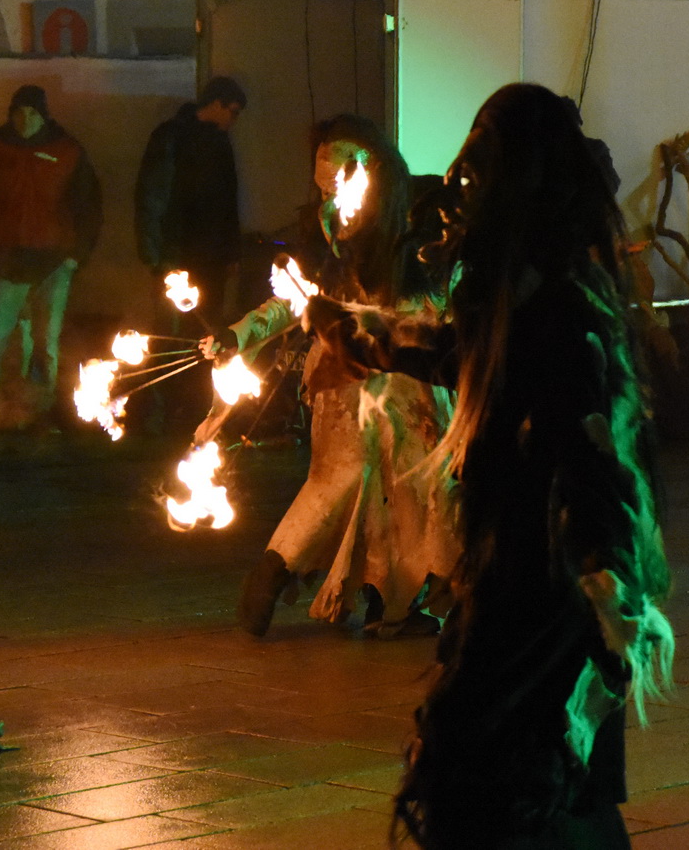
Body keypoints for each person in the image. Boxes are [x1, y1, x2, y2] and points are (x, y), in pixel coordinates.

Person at [306, 83, 671, 847]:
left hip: (545, 591)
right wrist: (355, 334)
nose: (465, 194)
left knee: (523, 779)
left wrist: (602, 570)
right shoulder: (523, 293)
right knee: (519, 782)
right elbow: (458, 353)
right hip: (510, 573)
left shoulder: (564, 307)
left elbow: (591, 445)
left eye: (480, 178)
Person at [213, 115, 460, 639]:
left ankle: (379, 599)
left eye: (342, 172)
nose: (333, 187)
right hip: (368, 377)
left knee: (378, 487)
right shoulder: (336, 231)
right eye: (324, 179)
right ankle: (295, 584)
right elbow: (295, 300)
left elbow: (438, 302)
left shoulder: (414, 224)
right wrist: (237, 335)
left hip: (391, 377)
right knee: (379, 484)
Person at [0, 85, 102, 410]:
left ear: (44, 116)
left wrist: (75, 256)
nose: (25, 119)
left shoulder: (67, 151)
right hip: (6, 261)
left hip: (53, 262)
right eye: (19, 112)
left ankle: (34, 414)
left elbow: (88, 206)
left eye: (32, 113)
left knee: (44, 345)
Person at [135, 76, 247, 327]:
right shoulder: (172, 137)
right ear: (217, 104)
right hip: (177, 251)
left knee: (204, 327)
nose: (233, 119)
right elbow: (152, 195)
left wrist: (231, 253)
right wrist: (154, 256)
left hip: (210, 256)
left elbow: (229, 201)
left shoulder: (220, 143)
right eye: (233, 112)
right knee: (171, 326)